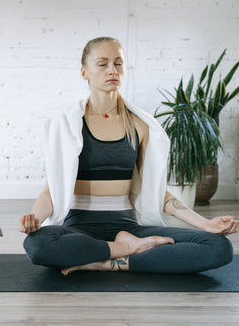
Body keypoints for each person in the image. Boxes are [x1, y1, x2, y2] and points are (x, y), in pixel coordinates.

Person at [19, 37, 237, 274]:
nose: (112, 70)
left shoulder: (140, 125)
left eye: (118, 63)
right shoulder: (66, 124)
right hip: (77, 229)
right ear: (84, 72)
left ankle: (104, 261)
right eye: (102, 64)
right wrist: (35, 220)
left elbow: (155, 189)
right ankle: (122, 250)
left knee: (218, 247)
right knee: (37, 244)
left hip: (129, 228)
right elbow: (52, 191)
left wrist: (206, 224)